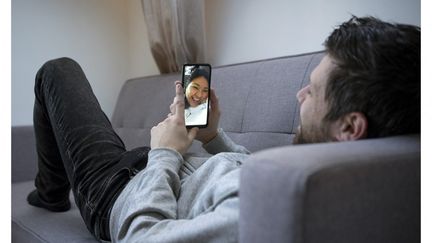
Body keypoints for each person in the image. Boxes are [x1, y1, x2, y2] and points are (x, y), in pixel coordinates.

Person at [26, 16, 420, 242]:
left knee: (57, 71)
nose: (300, 94)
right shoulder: (313, 182)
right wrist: (213, 136)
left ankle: (51, 193)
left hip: (119, 190)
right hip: (148, 169)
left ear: (350, 127)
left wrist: (166, 152)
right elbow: (253, 175)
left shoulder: (256, 213)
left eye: (313, 90)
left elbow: (141, 236)